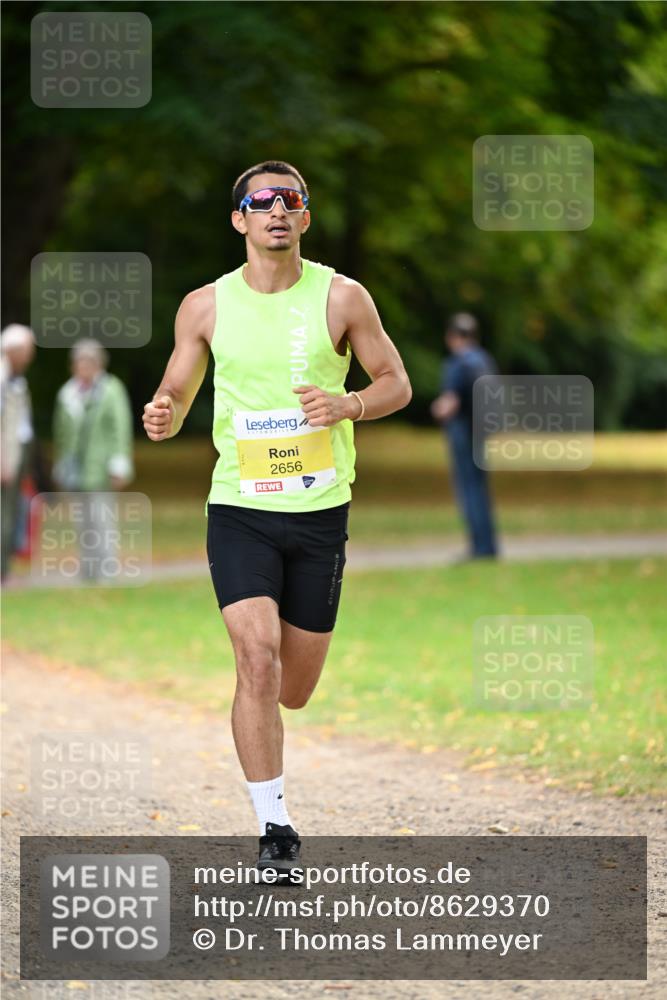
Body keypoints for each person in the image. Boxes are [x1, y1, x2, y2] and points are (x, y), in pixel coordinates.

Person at [142, 160, 411, 875]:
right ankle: (275, 825)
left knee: (293, 686)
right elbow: (178, 383)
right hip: (240, 509)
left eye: (290, 200)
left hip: (320, 512)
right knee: (254, 659)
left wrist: (348, 404)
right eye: (260, 202)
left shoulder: (343, 298)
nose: (276, 211)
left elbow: (396, 383)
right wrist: (165, 410)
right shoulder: (204, 306)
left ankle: (273, 785)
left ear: (304, 217)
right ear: (239, 220)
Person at [52, 339, 135, 580]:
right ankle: (87, 570)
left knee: (102, 521)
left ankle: (106, 570)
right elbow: (61, 433)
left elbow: (120, 428)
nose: (83, 367)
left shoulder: (111, 390)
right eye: (79, 362)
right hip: (74, 470)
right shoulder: (67, 393)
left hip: (101, 468)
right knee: (81, 523)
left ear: (99, 364)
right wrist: (60, 464)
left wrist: (120, 463)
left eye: (89, 362)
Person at [430, 312, 498, 560]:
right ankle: (488, 545)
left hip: (462, 432)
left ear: (452, 336)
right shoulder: (484, 360)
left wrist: (436, 409)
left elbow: (449, 403)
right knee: (481, 489)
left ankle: (478, 549)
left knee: (468, 490)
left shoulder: (458, 363)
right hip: (481, 432)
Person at [1, 324, 36, 582]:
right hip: (6, 457)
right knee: (4, 513)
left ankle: (5, 566)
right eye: (27, 350)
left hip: (17, 454)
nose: (30, 357)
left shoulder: (16, 379)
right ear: (12, 350)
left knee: (13, 511)